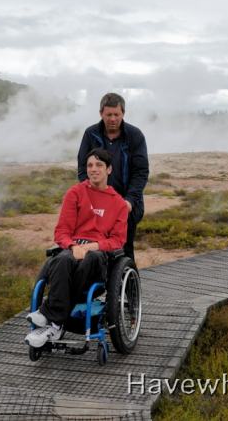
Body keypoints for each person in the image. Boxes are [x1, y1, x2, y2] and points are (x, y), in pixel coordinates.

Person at [24, 148, 128, 347]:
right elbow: (62, 231)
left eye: (99, 165)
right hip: (73, 250)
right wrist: (72, 245)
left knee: (91, 257)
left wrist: (94, 246)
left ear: (109, 170)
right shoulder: (75, 193)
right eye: (90, 165)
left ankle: (51, 317)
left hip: (98, 255)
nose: (93, 169)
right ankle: (55, 324)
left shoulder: (119, 204)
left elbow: (117, 240)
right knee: (62, 259)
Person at [77, 93, 148, 261]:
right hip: (96, 205)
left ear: (123, 113)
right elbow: (82, 168)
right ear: (101, 113)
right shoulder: (91, 134)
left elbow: (141, 172)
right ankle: (102, 285)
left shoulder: (135, 135)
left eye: (117, 114)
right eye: (109, 115)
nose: (113, 119)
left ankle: (128, 286)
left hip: (126, 204)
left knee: (124, 251)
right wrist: (90, 198)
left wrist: (130, 201)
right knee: (95, 249)